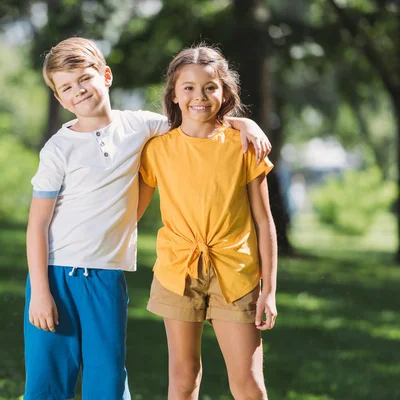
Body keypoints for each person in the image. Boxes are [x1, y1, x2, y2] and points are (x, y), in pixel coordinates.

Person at [24, 37, 272, 400]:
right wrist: (40, 291)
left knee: (106, 380)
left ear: (105, 76)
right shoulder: (59, 149)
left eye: (84, 79)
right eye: (66, 87)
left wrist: (242, 123)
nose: (78, 91)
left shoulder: (141, 127)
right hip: (56, 271)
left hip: (108, 272)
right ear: (59, 98)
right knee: (49, 378)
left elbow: (197, 116)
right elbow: (37, 224)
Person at [137, 44, 278, 400]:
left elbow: (264, 220)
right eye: (188, 87)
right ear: (173, 93)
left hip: (237, 272)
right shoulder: (157, 149)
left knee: (249, 386)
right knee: (183, 381)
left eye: (210, 87)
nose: (199, 96)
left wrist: (269, 290)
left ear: (225, 92)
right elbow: (129, 211)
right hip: (177, 272)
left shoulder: (244, 145)